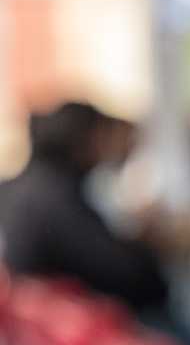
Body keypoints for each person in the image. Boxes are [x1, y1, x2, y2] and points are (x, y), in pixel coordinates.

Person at [0, 102, 170, 315]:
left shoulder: (21, 186)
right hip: (65, 327)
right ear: (85, 139)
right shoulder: (55, 197)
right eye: (104, 136)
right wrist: (150, 248)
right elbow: (129, 277)